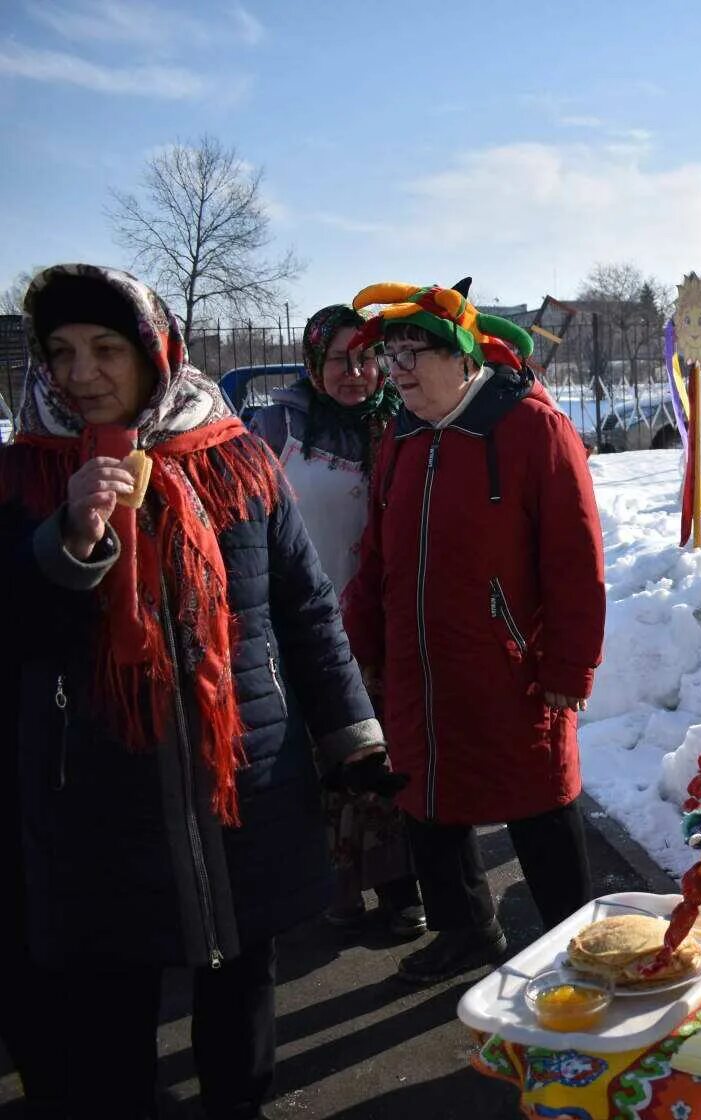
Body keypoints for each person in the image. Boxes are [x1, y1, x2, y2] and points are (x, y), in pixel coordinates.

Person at [0, 264, 388, 1119]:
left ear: (153, 352)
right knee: (112, 1018)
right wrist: (64, 539)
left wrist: (352, 735)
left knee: (242, 985)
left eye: (107, 349)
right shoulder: (21, 476)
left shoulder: (236, 459)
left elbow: (305, 606)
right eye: (61, 353)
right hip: (92, 800)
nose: (83, 373)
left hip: (241, 779)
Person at [340, 279, 606, 983]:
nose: (394, 369)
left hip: (512, 667)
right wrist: (360, 640)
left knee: (539, 805)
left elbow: (577, 563)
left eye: (412, 352)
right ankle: (467, 930)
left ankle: (577, 950)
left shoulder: (533, 430)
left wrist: (568, 669)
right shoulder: (399, 432)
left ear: (462, 358)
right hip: (415, 662)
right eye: (389, 353)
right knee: (429, 799)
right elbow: (377, 550)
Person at [246, 304, 423, 939]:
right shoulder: (274, 427)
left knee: (383, 761)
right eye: (338, 359)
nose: (355, 371)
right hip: (300, 629)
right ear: (313, 363)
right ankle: (333, 890)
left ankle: (400, 893)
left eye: (366, 356)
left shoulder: (401, 426)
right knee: (317, 766)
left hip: (379, 624)